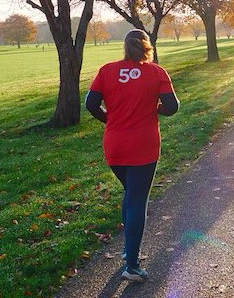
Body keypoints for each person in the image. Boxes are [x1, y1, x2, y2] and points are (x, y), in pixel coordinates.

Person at [85, 29, 180, 282]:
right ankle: (132, 264)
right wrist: (154, 108)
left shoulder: (107, 70)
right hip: (143, 144)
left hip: (115, 143)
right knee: (138, 199)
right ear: (147, 47)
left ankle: (128, 250)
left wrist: (110, 120)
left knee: (130, 193)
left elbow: (91, 104)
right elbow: (172, 107)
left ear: (125, 47)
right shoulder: (156, 72)